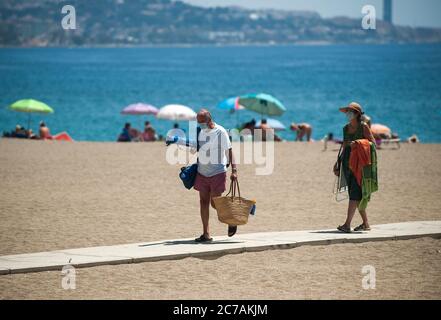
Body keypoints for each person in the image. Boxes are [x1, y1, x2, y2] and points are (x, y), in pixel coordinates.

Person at [167, 109, 238, 242]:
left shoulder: (220, 131)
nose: (200, 125)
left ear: (209, 119)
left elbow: (230, 150)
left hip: (218, 172)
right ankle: (206, 234)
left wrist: (234, 170)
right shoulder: (200, 131)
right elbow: (195, 144)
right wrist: (177, 140)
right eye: (198, 122)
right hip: (202, 171)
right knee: (203, 202)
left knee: (215, 202)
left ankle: (231, 219)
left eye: (202, 122)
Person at [334, 102, 376, 233]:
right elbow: (345, 146)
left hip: (360, 165)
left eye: (350, 111)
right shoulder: (345, 128)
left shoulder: (363, 127)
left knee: (354, 194)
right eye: (347, 111)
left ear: (357, 114)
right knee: (355, 194)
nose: (347, 114)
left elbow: (372, 144)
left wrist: (358, 143)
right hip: (347, 163)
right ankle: (366, 223)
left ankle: (347, 224)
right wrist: (338, 163)